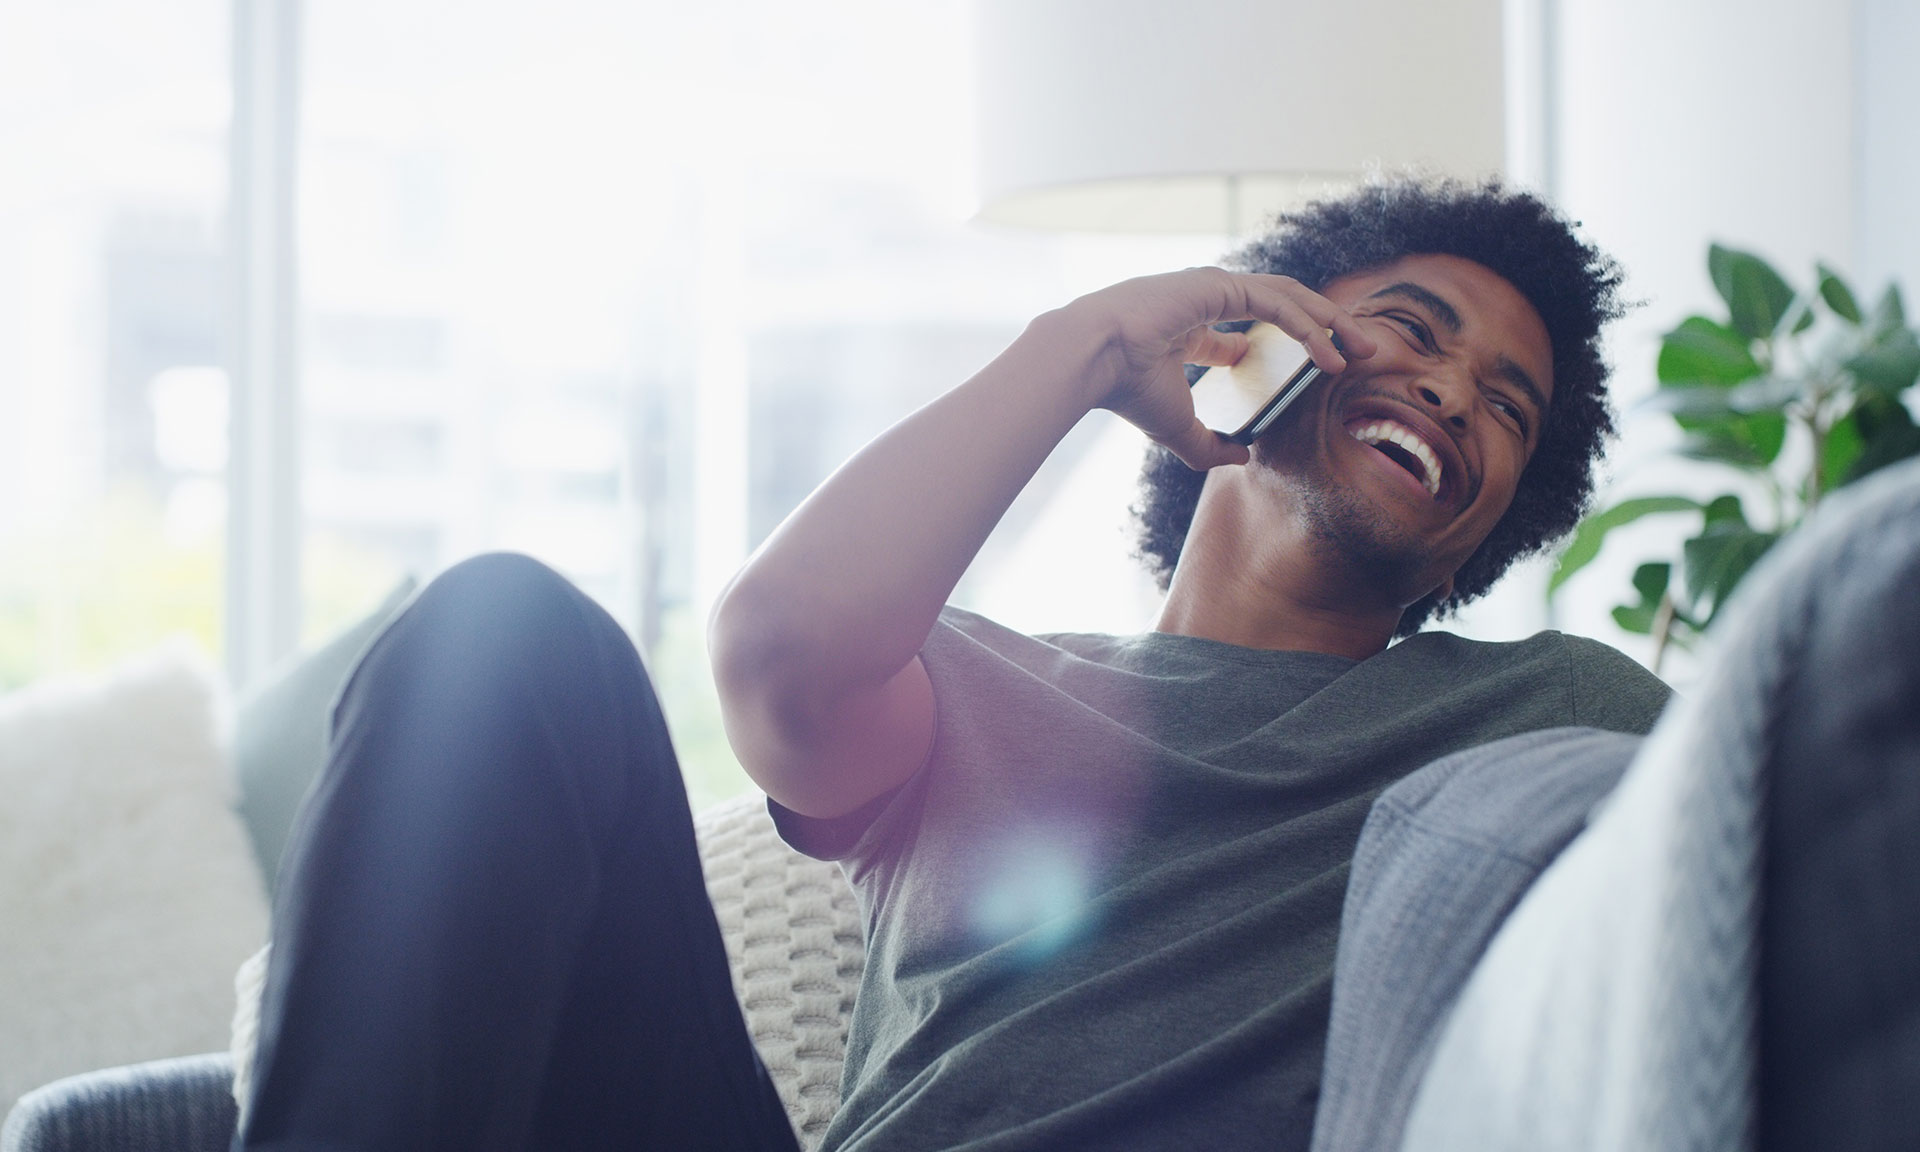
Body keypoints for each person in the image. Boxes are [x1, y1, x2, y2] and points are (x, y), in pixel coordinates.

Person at [235, 177, 1670, 1152]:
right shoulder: (975, 686)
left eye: (1506, 411)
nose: (1451, 391)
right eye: (1416, 332)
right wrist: (1093, 342)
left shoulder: (1549, 721)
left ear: (1483, 537)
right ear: (1255, 341)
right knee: (500, 639)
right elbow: (782, 664)